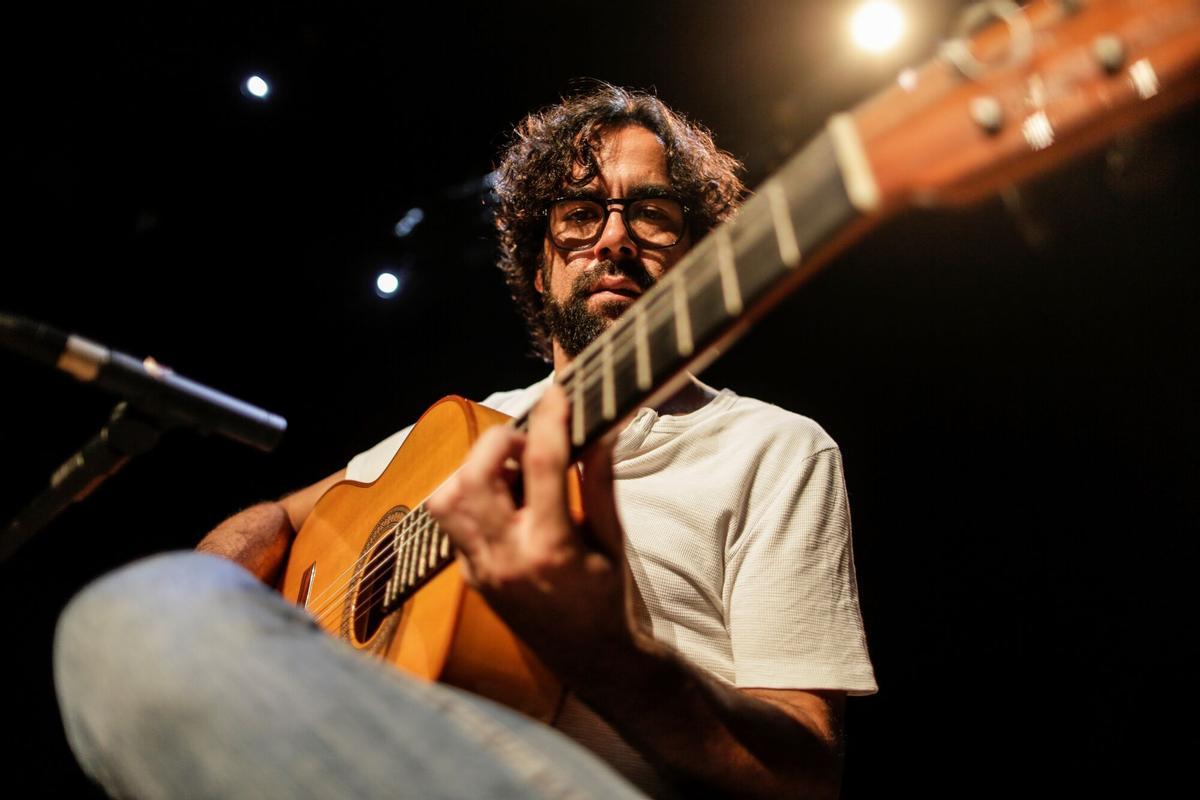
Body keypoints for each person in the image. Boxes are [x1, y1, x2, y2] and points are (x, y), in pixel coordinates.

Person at [53, 85, 876, 799]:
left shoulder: (775, 448)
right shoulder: (454, 434)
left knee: (113, 626)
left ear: (695, 250)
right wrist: (219, 596)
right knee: (128, 615)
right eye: (582, 213)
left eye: (653, 212)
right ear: (538, 260)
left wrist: (607, 652)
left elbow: (804, 778)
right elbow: (282, 511)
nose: (615, 239)